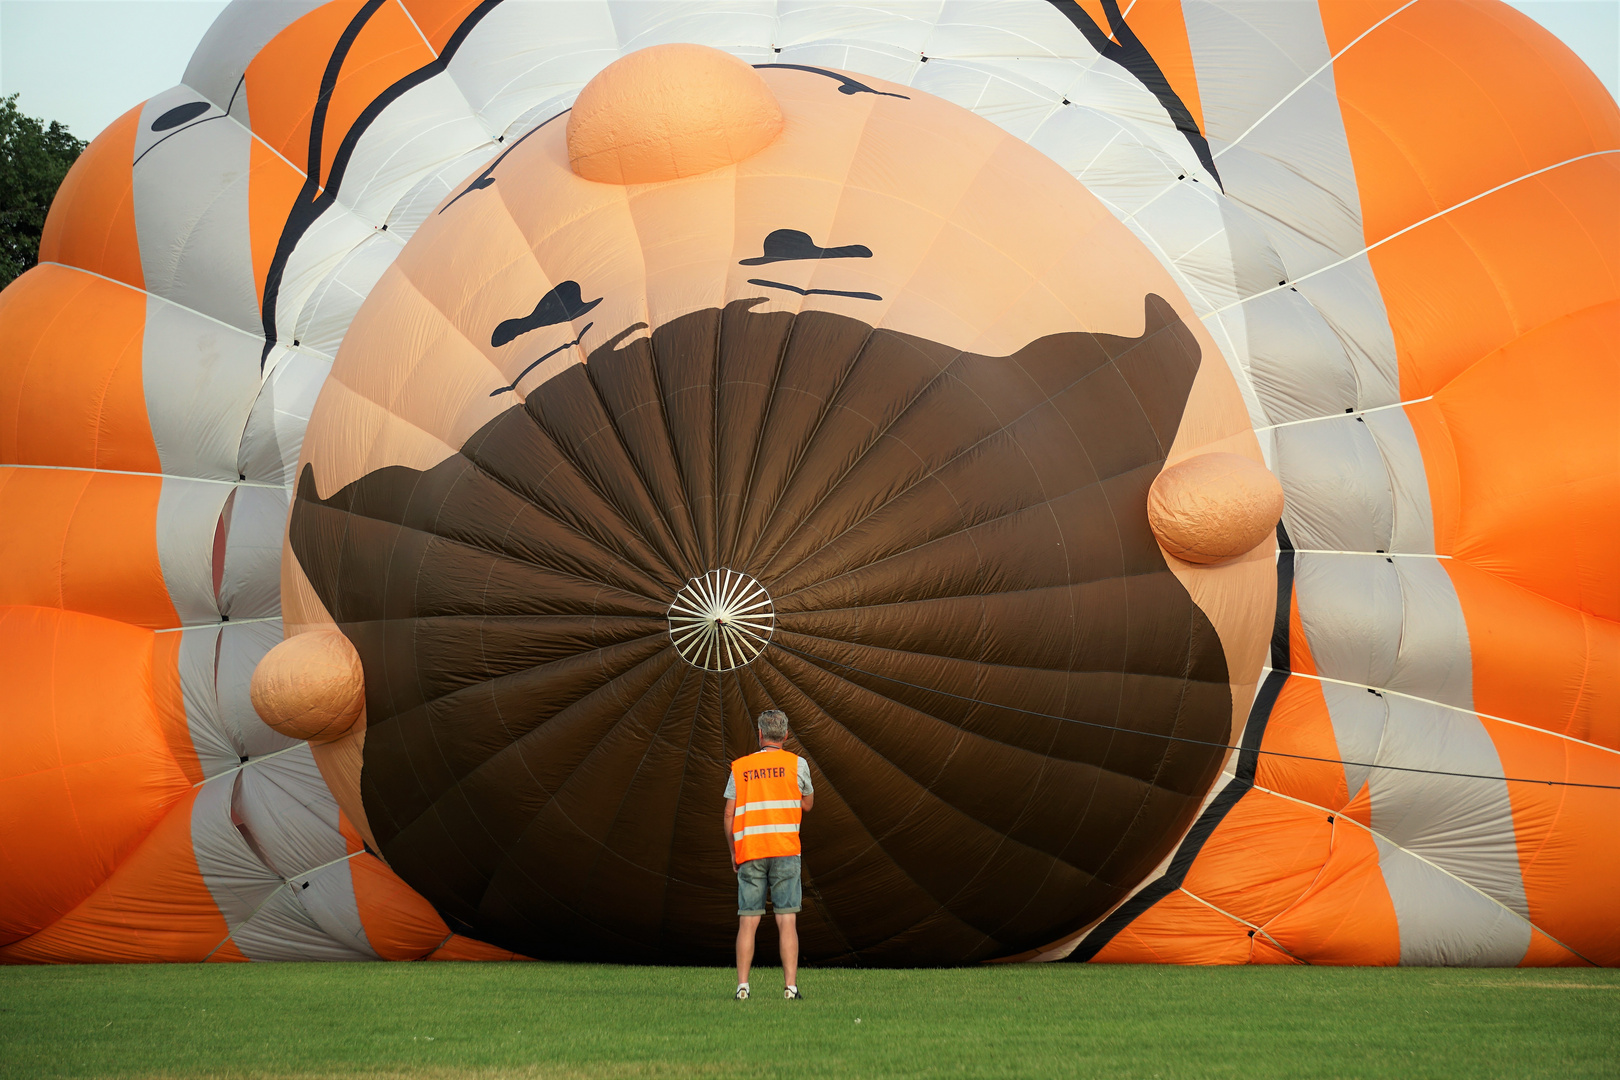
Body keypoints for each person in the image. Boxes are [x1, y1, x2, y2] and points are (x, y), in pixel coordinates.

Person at [723, 708, 814, 1000]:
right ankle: (790, 987)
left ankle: (742, 987)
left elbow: (728, 814)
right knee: (787, 919)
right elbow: (808, 804)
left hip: (750, 850)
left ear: (760, 734)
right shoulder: (798, 764)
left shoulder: (740, 767)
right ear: (785, 735)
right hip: (786, 850)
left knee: (747, 920)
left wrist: (734, 851)